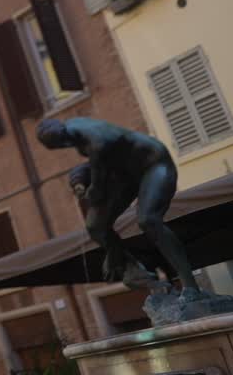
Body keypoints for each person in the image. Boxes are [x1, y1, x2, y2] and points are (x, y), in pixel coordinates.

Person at [37, 117, 196, 294]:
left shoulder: (92, 136)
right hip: (126, 175)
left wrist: (95, 187)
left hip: (153, 165)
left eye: (61, 144)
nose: (65, 147)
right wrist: (80, 180)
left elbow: (101, 157)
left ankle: (191, 287)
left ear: (63, 138)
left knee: (148, 220)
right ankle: (131, 269)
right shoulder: (78, 135)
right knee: (95, 226)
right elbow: (97, 163)